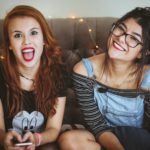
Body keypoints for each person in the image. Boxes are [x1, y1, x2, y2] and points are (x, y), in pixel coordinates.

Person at [58, 7, 150, 150]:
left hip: (138, 138)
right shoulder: (83, 71)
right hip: (101, 136)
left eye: (133, 38)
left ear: (142, 53)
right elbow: (97, 126)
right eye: (121, 28)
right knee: (69, 140)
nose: (120, 38)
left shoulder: (148, 77)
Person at [0, 5, 67, 150]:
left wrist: (36, 139)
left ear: (44, 39)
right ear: (10, 44)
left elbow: (54, 129)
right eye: (18, 35)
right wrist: (4, 139)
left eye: (34, 33)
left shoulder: (58, 72)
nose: (26, 41)